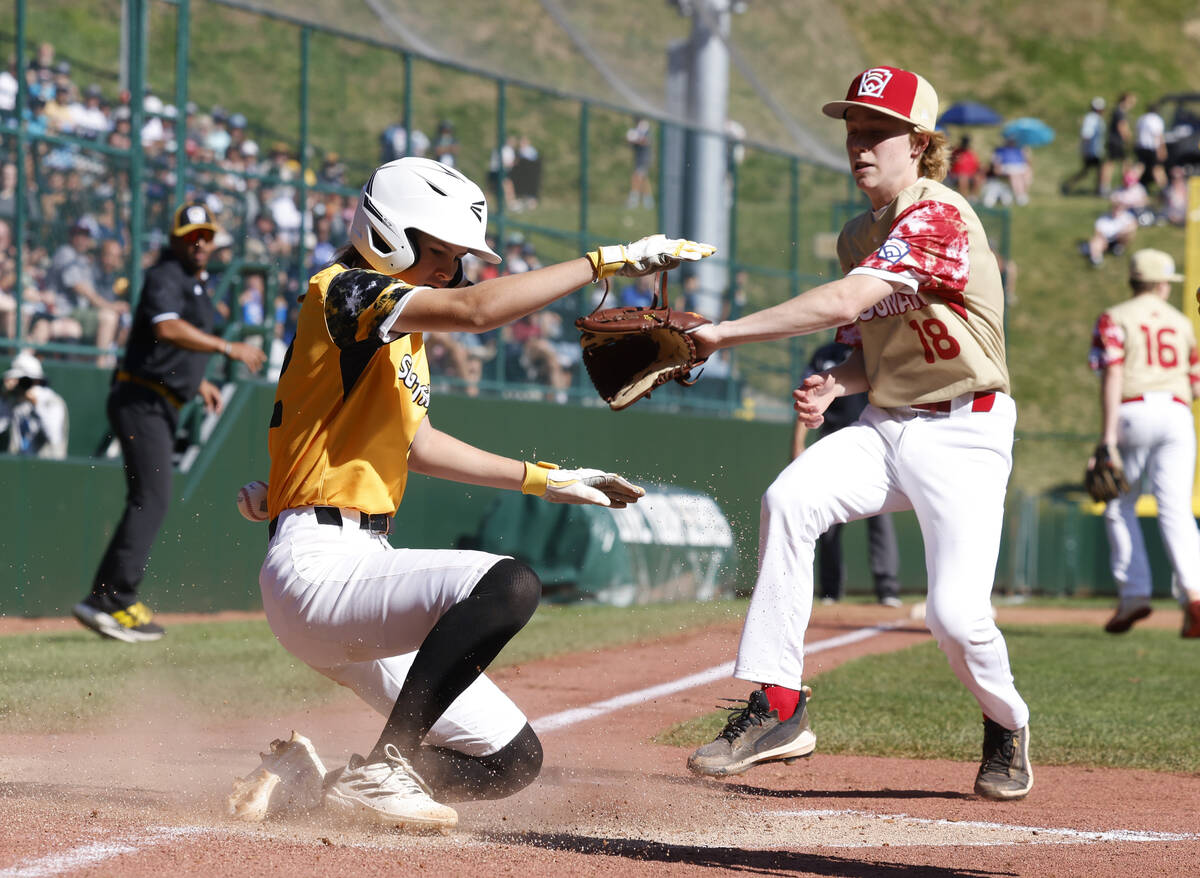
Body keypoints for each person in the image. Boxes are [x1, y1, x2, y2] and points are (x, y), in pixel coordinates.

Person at [225, 157, 712, 829]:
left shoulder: (397, 330)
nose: (449, 271)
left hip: (356, 567)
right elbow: (479, 310)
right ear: (388, 231)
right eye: (439, 252)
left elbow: (416, 445)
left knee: (510, 762)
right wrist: (603, 262)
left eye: (457, 258)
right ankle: (386, 767)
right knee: (510, 585)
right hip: (319, 568)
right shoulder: (343, 290)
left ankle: (311, 787)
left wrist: (546, 479)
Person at [684, 66, 1032, 801]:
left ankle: (1006, 723)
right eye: (854, 129)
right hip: (886, 428)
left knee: (955, 619)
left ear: (921, 143)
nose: (861, 143)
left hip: (965, 432)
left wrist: (722, 333)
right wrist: (838, 380)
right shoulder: (857, 235)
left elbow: (848, 298)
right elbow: (867, 345)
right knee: (790, 499)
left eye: (879, 131)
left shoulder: (939, 214)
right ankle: (779, 707)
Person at [72, 203, 267, 644]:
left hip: (158, 399)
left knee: (151, 498)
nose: (199, 241)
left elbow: (171, 348)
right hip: (139, 399)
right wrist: (225, 347)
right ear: (176, 238)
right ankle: (111, 597)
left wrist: (196, 384)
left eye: (206, 234)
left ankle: (107, 596)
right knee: (152, 498)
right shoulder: (166, 276)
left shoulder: (195, 284)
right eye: (191, 234)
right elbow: (166, 329)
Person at [1087, 249, 1200, 638]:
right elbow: (1196, 383)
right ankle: (1195, 593)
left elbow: (1112, 374)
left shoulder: (1115, 316)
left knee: (1119, 504)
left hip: (1133, 410)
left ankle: (1134, 593)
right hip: (1178, 412)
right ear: (1162, 283)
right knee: (1176, 509)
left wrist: (1106, 440)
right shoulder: (1182, 322)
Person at [793, 341, 902, 608]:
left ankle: (887, 588)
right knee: (827, 520)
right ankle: (830, 590)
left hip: (874, 439)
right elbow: (804, 399)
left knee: (880, 516)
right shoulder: (823, 355)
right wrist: (797, 443)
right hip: (832, 441)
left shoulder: (878, 346)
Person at [0, 349, 68, 459]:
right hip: (20, 467)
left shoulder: (52, 401)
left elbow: (54, 437)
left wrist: (37, 405)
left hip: (47, 468)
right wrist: (4, 397)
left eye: (22, 380)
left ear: (36, 380)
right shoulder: (15, 401)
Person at [1060, 97, 1107, 196]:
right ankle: (1099, 190)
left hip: (1095, 149)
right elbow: (1086, 134)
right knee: (1096, 170)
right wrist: (1085, 149)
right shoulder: (1091, 118)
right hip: (1091, 150)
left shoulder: (1096, 118)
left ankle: (1069, 185)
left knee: (1088, 171)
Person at [1085, 194, 1138, 268]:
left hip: (1119, 238)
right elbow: (1097, 232)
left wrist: (1121, 233)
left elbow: (1133, 226)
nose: (1116, 210)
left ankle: (1119, 248)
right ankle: (1096, 258)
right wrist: (1103, 239)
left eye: (1119, 208)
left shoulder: (1127, 217)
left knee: (1129, 234)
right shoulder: (1103, 218)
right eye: (1115, 207)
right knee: (1095, 241)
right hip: (1105, 240)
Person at [1103, 92, 1136, 195]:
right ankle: (1125, 185)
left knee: (1114, 163)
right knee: (1123, 163)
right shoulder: (1120, 112)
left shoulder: (1117, 111)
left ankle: (1105, 187)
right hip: (1118, 141)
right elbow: (1122, 127)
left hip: (1114, 140)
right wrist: (1128, 138)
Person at [1133, 102, 1167, 193]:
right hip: (1151, 147)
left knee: (1140, 166)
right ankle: (1165, 189)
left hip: (1140, 146)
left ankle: (1130, 183)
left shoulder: (1142, 118)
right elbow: (1158, 135)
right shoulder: (1156, 120)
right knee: (1157, 168)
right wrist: (1162, 149)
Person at [625, 116, 654, 209]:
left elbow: (647, 141)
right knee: (643, 179)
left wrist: (637, 140)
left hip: (644, 159)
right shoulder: (638, 130)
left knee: (636, 177)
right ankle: (648, 202)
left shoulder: (645, 130)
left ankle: (634, 201)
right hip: (640, 158)